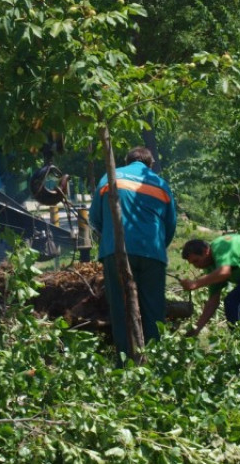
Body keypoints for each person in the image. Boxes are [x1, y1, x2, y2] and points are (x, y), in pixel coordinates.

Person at [89, 146, 177, 358]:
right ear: (151, 164)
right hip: (152, 254)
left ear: (126, 161)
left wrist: (110, 237)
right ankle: (155, 361)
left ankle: (126, 365)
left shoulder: (109, 178)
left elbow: (95, 219)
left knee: (121, 309)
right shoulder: (161, 184)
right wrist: (154, 248)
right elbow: (170, 225)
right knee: (153, 309)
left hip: (116, 251)